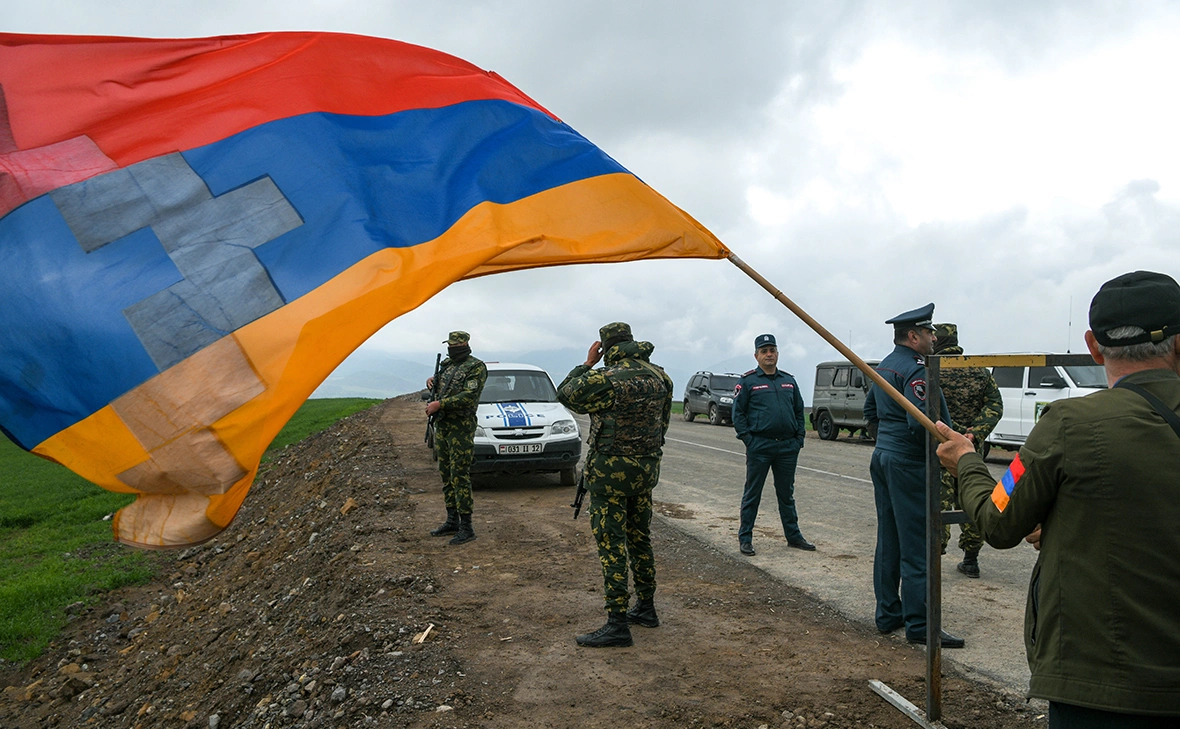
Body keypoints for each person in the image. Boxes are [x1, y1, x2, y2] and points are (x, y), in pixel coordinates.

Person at [936, 271, 1180, 727]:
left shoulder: (1067, 424)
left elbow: (998, 520)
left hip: (1099, 688)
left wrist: (966, 461)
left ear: (1092, 345)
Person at [557, 322, 673, 648]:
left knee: (611, 544)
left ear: (606, 348)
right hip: (645, 472)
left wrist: (587, 363)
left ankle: (617, 623)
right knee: (640, 538)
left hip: (609, 475)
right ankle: (646, 608)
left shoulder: (606, 379)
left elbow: (565, 393)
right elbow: (661, 427)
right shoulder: (660, 376)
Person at [863, 303, 962, 648]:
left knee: (889, 539)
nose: (935, 338)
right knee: (919, 544)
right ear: (913, 336)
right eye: (930, 332)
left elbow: (869, 412)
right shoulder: (917, 371)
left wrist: (888, 445)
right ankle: (921, 625)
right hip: (909, 463)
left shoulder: (885, 366)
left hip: (884, 457)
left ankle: (888, 614)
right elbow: (922, 425)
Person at [931, 322, 1003, 578]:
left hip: (941, 447)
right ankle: (971, 559)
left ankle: (934, 558)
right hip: (971, 450)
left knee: (938, 502)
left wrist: (954, 431)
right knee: (972, 499)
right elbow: (995, 405)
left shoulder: (932, 369)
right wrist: (973, 434)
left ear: (936, 341)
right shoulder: (979, 369)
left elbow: (929, 408)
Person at [732, 333, 813, 556]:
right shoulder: (748, 381)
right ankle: (745, 538)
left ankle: (793, 536)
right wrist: (749, 439)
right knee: (752, 493)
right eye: (764, 351)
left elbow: (799, 410)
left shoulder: (789, 381)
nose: (769, 354)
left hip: (788, 447)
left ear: (777, 353)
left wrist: (799, 438)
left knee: (786, 494)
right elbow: (738, 414)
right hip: (760, 446)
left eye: (772, 350)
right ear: (756, 355)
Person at [424, 331, 487, 545]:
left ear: (465, 344)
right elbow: (442, 387)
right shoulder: (448, 365)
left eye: (455, 344)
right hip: (443, 425)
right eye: (449, 344)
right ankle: (452, 520)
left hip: (461, 426)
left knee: (460, 475)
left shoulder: (475, 367)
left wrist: (441, 404)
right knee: (446, 474)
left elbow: (469, 396)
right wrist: (432, 381)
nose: (452, 348)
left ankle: (466, 526)